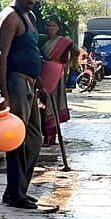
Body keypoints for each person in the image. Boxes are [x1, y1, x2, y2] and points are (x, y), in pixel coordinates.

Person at [0, 0, 43, 210]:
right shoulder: (10, 17)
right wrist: (2, 92)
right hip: (15, 83)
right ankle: (16, 195)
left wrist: (39, 81)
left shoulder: (30, 17)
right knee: (17, 139)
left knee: (35, 138)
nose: (32, 0)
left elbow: (31, 50)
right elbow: (1, 56)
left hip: (30, 84)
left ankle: (17, 190)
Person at [39, 17, 72, 146]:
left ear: (58, 28)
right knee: (42, 104)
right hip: (43, 74)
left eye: (53, 26)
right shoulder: (41, 40)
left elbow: (67, 60)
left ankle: (51, 137)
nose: (50, 28)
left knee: (54, 104)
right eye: (48, 25)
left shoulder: (64, 42)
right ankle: (45, 135)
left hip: (56, 76)